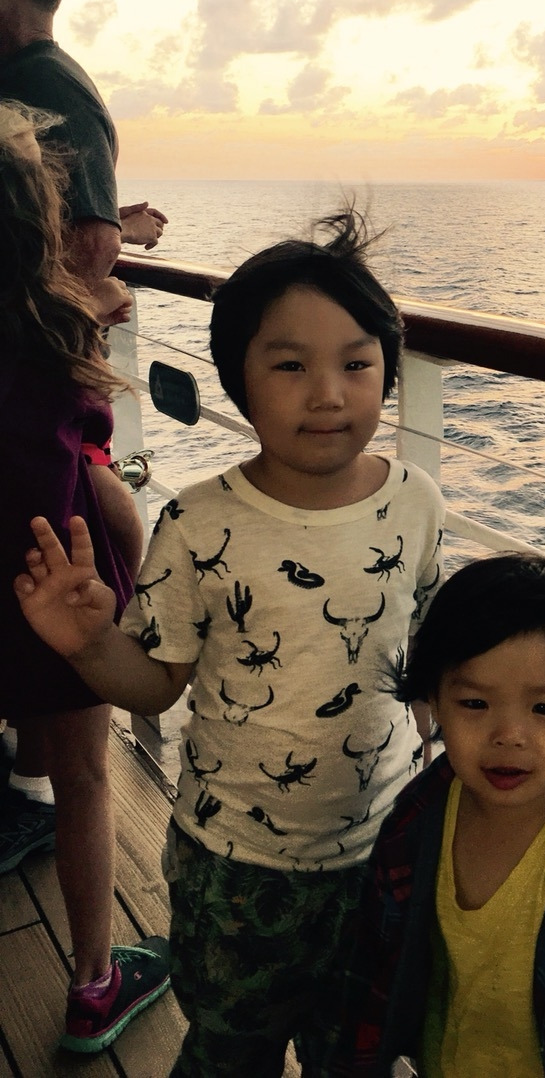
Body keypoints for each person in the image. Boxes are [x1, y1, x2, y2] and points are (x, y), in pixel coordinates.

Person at [15, 211, 446, 1076]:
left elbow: (425, 655)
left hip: (380, 855)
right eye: (289, 365)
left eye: (357, 363)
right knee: (227, 1053)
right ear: (237, 379)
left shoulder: (417, 502)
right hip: (235, 868)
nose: (328, 394)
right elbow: (155, 685)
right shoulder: (199, 522)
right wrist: (90, 644)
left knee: (354, 1055)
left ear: (390, 372)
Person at [330, 552, 545, 1077]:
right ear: (434, 701)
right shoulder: (420, 813)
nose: (509, 736)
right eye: (475, 703)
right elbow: (370, 974)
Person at [0, 137, 170, 1052]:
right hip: (58, 571)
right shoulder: (53, 336)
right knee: (84, 779)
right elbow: (96, 470)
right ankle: (95, 982)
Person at [0, 0, 168, 298]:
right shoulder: (33, 79)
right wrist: (118, 225)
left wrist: (60, 324)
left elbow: (94, 247)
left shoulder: (47, 87)